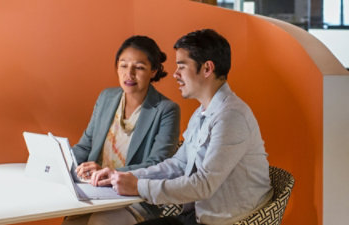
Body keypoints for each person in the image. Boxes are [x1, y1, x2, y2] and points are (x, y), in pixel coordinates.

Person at [91, 29, 273, 225]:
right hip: (192, 216)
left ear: (207, 68)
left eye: (182, 66)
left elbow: (204, 185)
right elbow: (177, 164)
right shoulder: (202, 112)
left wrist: (138, 186)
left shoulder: (231, 116)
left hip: (227, 220)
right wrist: (123, 176)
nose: (175, 74)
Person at [63, 35, 181, 225]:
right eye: (123, 65)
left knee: (102, 221)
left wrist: (110, 173)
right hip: (96, 191)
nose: (129, 74)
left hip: (135, 198)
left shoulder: (166, 110)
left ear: (154, 71)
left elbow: (158, 165)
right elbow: (86, 145)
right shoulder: (106, 97)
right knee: (71, 223)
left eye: (139, 67)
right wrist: (62, 164)